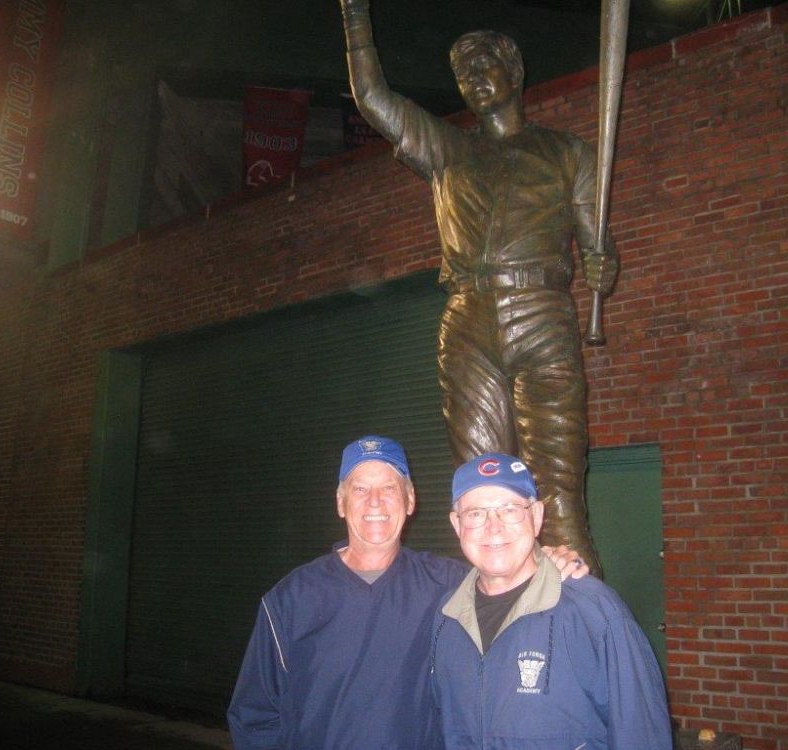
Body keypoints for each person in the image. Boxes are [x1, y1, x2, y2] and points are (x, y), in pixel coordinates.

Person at [339, 0, 618, 577]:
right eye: (462, 72)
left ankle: (586, 620)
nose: (471, 78)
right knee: (483, 492)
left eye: (483, 64)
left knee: (557, 493)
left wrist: (603, 266)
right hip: (468, 321)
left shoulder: (569, 154)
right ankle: (497, 614)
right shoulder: (447, 150)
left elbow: (599, 248)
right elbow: (372, 98)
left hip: (542, 316)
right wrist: (354, 15)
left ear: (515, 72)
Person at [226, 435, 587, 749]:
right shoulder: (290, 599)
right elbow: (254, 717)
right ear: (340, 502)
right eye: (360, 489)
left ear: (410, 499)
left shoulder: (450, 585)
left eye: (389, 488)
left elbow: (506, 574)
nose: (375, 502)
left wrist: (548, 560)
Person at [430, 452, 672, 749]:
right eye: (476, 513)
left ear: (536, 517)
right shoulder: (447, 618)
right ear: (457, 525)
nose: (494, 527)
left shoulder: (595, 612)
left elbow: (642, 736)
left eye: (509, 509)